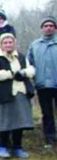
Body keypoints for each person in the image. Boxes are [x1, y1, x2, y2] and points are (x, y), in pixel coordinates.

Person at [0, 33, 35, 159]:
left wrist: (23, 72)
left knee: (19, 121)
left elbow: (31, 69)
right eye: (5, 43)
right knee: (5, 121)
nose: (8, 44)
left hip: (20, 92)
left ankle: (17, 147)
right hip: (4, 94)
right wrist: (11, 74)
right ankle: (2, 146)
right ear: (1, 45)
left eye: (10, 42)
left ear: (14, 43)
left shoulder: (20, 57)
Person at [28, 16, 57, 149]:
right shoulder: (35, 45)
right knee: (47, 113)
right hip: (42, 84)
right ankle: (50, 138)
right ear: (42, 29)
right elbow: (30, 64)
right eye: (46, 26)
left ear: (55, 28)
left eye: (51, 25)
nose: (48, 27)